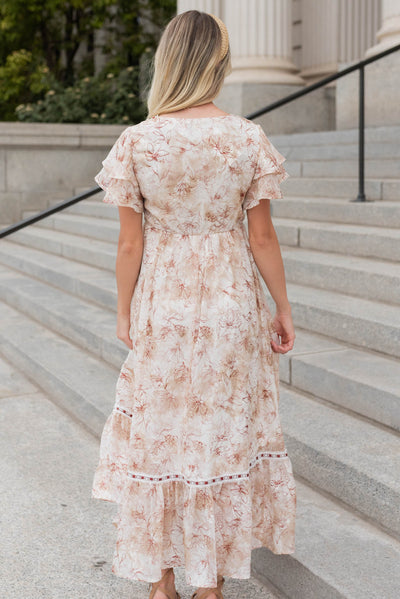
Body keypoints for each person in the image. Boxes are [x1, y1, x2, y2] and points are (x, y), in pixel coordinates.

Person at [91, 9, 296, 599]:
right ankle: (211, 587)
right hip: (231, 305)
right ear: (217, 64)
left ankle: (162, 584)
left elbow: (130, 243)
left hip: (164, 303)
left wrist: (126, 311)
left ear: (168, 63)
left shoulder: (139, 140)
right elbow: (262, 238)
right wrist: (282, 307)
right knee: (217, 434)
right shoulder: (245, 136)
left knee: (159, 433)